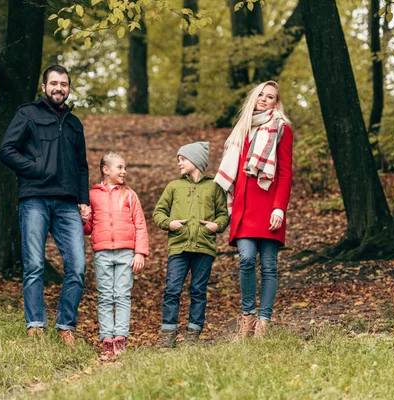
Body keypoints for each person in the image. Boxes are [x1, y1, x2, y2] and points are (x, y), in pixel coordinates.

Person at [0, 65, 91, 345]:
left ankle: (66, 326)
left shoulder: (75, 124)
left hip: (66, 203)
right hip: (35, 198)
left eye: (63, 84)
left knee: (77, 265)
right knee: (35, 264)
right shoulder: (28, 113)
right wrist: (35, 168)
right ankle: (35, 325)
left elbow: (82, 166)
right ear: (44, 87)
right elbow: (6, 150)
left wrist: (84, 200)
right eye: (53, 83)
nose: (58, 88)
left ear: (69, 89)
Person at [215, 80, 293, 338]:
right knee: (246, 259)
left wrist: (279, 208)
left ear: (276, 103)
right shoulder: (242, 129)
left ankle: (263, 322)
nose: (264, 99)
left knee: (269, 266)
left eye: (270, 97)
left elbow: (284, 172)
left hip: (269, 206)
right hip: (244, 206)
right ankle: (247, 316)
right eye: (261, 94)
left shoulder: (281, 129)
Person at [153, 142, 230, 348]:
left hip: (204, 248)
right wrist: (170, 223)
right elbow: (158, 212)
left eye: (183, 159)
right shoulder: (174, 187)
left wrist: (217, 225)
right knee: (172, 290)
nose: (179, 163)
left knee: (198, 290)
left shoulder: (215, 186)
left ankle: (192, 337)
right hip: (178, 248)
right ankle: (168, 337)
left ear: (196, 160)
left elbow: (223, 214)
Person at [84, 152, 149, 357]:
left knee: (122, 295)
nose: (124, 171)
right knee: (105, 296)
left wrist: (140, 253)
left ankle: (120, 337)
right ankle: (106, 338)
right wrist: (83, 218)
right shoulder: (92, 195)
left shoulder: (129, 194)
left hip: (126, 253)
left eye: (125, 168)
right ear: (106, 170)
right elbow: (87, 228)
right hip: (102, 253)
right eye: (120, 167)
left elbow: (140, 224)